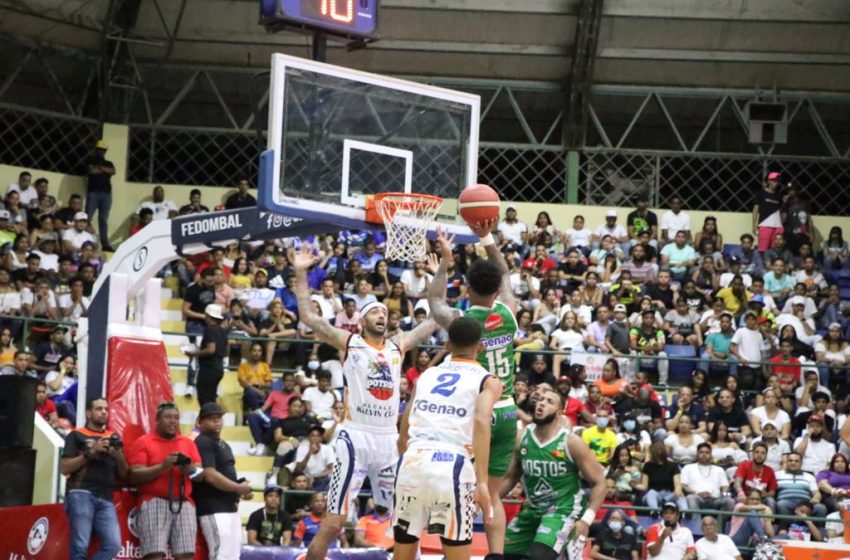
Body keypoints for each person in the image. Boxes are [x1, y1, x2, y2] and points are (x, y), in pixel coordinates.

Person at [292, 245, 438, 560]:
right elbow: (307, 316)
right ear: (361, 320)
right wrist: (301, 271)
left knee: (405, 518)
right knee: (335, 521)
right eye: (375, 311)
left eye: (384, 312)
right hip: (355, 435)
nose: (382, 315)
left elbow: (436, 318)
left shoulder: (399, 345)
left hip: (387, 438)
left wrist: (440, 273)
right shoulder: (349, 342)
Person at [428, 222, 520, 560]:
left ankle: (458, 552)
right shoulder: (508, 311)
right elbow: (505, 272)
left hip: (474, 411)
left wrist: (445, 260)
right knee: (492, 495)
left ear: (467, 289)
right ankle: (495, 556)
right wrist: (487, 238)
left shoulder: (461, 321)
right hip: (507, 409)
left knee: (464, 491)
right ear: (497, 288)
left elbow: (435, 299)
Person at [393, 316, 501, 560]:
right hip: (452, 465)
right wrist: (482, 482)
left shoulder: (427, 375)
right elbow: (483, 420)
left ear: (448, 345)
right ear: (481, 346)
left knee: (402, 554)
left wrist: (408, 458)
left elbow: (404, 427)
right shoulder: (488, 380)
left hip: (412, 461)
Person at [500, 386, 607, 560]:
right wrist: (489, 501)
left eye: (549, 402)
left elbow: (599, 482)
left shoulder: (571, 442)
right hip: (532, 508)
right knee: (502, 554)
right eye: (540, 400)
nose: (541, 404)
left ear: (558, 414)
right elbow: (511, 476)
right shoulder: (521, 438)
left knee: (539, 556)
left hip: (562, 509)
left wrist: (586, 520)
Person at [127, 402, 203, 560]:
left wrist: (189, 469)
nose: (173, 421)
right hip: (154, 500)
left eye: (176, 417)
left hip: (184, 502)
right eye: (168, 417)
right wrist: (163, 466)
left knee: (186, 554)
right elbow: (134, 474)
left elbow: (201, 474)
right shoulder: (144, 441)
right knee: (154, 553)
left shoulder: (187, 443)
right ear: (157, 419)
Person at [61, 398, 127, 560]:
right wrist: (92, 452)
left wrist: (118, 456)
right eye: (99, 409)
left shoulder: (114, 438)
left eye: (106, 409)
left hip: (106, 497)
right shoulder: (76, 435)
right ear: (88, 413)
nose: (104, 412)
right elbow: (65, 468)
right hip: (81, 493)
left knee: (114, 544)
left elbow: (124, 474)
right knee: (80, 546)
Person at [193, 403, 253, 560]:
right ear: (200, 422)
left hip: (229, 507)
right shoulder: (203, 441)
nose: (217, 422)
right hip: (213, 507)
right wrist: (238, 488)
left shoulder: (224, 445)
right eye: (212, 419)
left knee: (233, 555)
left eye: (219, 418)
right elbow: (209, 475)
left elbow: (226, 474)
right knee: (221, 554)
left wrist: (241, 486)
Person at [184, 304, 228, 406]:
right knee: (211, 398)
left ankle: (210, 419)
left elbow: (210, 350)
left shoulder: (210, 330)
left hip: (209, 369)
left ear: (208, 316)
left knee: (204, 399)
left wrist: (194, 353)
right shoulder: (222, 331)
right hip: (219, 367)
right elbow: (226, 350)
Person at [680, 443, 735, 517]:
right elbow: (684, 486)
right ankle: (697, 525)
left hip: (715, 499)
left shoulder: (719, 469)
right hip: (697, 497)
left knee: (730, 501)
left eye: (707, 452)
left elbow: (725, 486)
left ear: (711, 455)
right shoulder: (688, 467)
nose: (704, 455)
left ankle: (719, 525)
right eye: (701, 452)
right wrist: (697, 493)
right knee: (691, 498)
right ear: (697, 454)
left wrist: (722, 493)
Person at [775, 452, 828, 518]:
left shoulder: (809, 476)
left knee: (821, 508)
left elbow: (816, 493)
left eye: (796, 461)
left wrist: (816, 498)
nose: (793, 463)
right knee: (781, 504)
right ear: (787, 462)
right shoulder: (777, 475)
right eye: (790, 461)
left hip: (806, 503)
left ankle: (816, 528)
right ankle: (785, 527)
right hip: (785, 501)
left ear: (801, 463)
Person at [84, 140, 116, 250]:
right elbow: (91, 171)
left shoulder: (108, 163)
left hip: (106, 194)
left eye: (102, 150)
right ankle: (85, 241)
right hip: (93, 192)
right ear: (96, 150)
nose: (101, 152)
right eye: (99, 150)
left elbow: (112, 171)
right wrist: (104, 170)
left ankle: (105, 244)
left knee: (103, 220)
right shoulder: (90, 160)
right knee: (87, 218)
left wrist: (100, 168)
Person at [733, 442, 777, 509]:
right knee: (737, 500)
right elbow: (737, 483)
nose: (759, 455)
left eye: (763, 453)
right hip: (745, 497)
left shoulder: (770, 470)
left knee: (770, 501)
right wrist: (741, 493)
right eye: (757, 452)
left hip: (761, 499)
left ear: (766, 456)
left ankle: (769, 520)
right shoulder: (744, 465)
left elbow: (772, 492)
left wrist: (766, 494)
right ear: (752, 453)